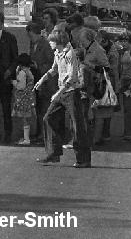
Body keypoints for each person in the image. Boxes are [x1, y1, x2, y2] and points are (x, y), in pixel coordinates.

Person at [35, 29, 92, 168]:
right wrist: (41, 80)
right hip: (62, 91)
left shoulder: (70, 54)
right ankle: (53, 153)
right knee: (48, 118)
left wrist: (58, 93)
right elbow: (54, 70)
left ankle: (83, 159)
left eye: (51, 41)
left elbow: (72, 78)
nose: (49, 43)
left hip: (71, 92)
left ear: (58, 41)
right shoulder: (58, 53)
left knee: (77, 125)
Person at [0, 10, 19, 143]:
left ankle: (8, 134)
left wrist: (10, 71)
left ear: (2, 23)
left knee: (6, 106)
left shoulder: (10, 37)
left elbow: (15, 58)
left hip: (5, 76)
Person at [26, 21, 54, 143]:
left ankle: (44, 135)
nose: (30, 38)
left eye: (31, 35)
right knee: (37, 108)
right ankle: (39, 132)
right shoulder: (33, 44)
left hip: (45, 81)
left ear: (37, 34)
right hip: (36, 79)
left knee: (44, 108)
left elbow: (51, 63)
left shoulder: (46, 45)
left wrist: (39, 66)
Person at [91, 30, 119, 145]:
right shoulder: (109, 50)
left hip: (107, 83)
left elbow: (112, 69)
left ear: (104, 41)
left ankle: (100, 136)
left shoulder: (112, 53)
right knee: (105, 109)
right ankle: (103, 134)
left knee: (103, 109)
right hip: (106, 83)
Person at [11, 53, 37, 145]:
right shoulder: (29, 72)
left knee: (24, 119)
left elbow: (20, 86)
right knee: (27, 118)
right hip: (29, 98)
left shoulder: (22, 73)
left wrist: (13, 81)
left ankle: (26, 139)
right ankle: (26, 137)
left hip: (23, 99)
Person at [118, 33, 131, 141]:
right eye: (121, 41)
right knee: (128, 108)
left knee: (129, 108)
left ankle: (130, 133)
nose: (122, 43)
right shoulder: (122, 52)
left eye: (124, 41)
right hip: (124, 82)